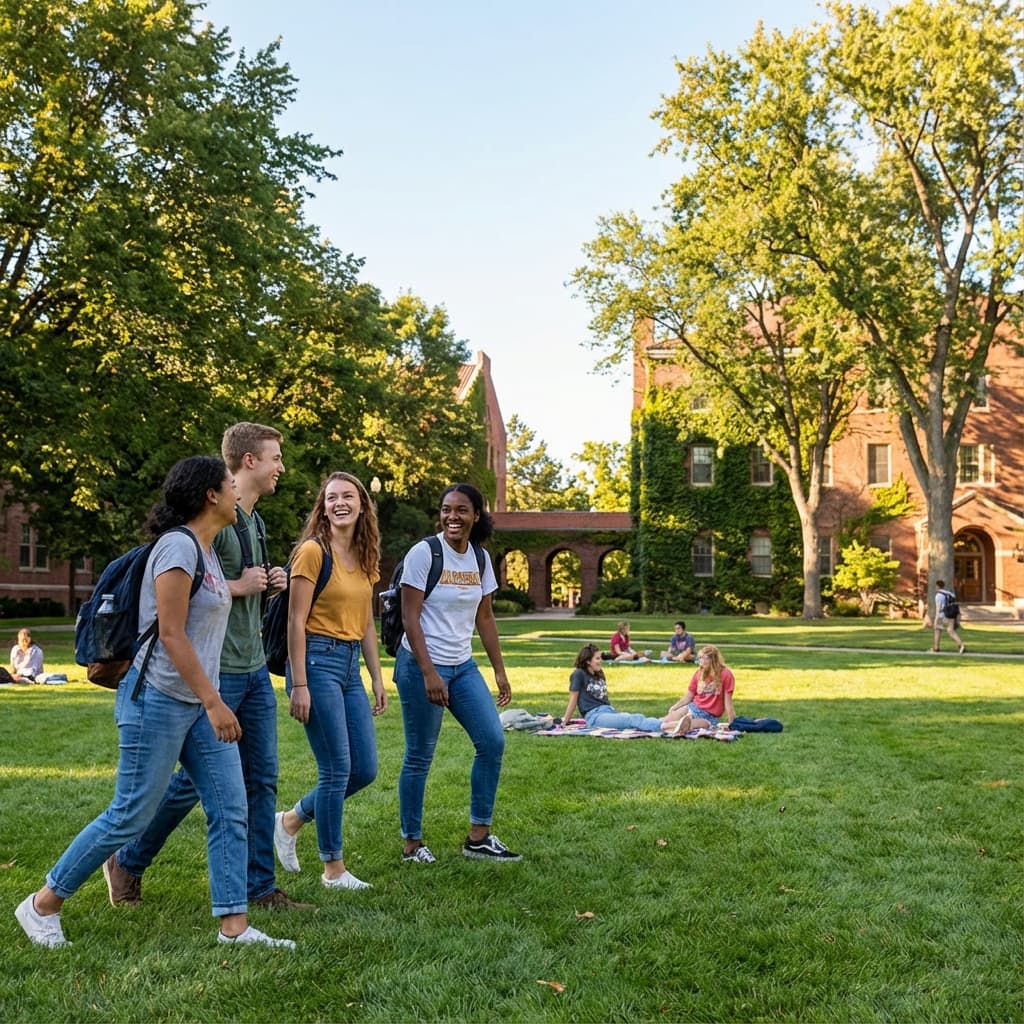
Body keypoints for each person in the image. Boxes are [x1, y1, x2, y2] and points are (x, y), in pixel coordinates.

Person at [14, 455, 293, 950]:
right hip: (158, 700)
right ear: (211, 494)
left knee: (231, 807)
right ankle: (41, 904)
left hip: (193, 704)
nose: (236, 491)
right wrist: (214, 700)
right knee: (130, 814)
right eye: (230, 484)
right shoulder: (178, 549)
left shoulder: (207, 551)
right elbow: (170, 634)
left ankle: (234, 926)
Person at [105, 423, 312, 912]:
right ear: (248, 462)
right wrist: (241, 585)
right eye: (275, 457)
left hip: (254, 665)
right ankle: (128, 860)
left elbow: (239, 586)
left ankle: (259, 888)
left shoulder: (256, 523)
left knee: (261, 780)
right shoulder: (212, 518)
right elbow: (189, 591)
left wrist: (271, 580)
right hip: (217, 673)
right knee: (191, 784)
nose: (282, 466)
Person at [394, 482, 520, 864]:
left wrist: (499, 671)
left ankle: (478, 837)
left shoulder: (479, 559)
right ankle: (412, 845)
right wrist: (429, 672)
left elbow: (485, 617)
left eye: (461, 510)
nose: (452, 516)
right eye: (447, 509)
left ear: (476, 515)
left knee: (492, 741)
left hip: (463, 666)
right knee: (420, 755)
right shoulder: (424, 553)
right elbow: (409, 617)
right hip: (420, 665)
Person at [272, 472, 386, 891]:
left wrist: (376, 677)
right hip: (315, 663)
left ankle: (290, 820)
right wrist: (298, 683)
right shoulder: (310, 552)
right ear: (323, 505)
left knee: (365, 769)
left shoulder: (365, 554)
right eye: (332, 497)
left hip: (350, 666)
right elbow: (295, 622)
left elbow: (368, 624)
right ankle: (333, 869)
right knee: (337, 768)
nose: (340, 503)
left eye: (348, 496)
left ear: (361, 505)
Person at [561, 643, 667, 733]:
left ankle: (668, 722)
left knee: (636, 717)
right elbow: (573, 699)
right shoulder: (578, 674)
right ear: (588, 661)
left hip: (608, 711)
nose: (600, 661)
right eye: (597, 658)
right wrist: (565, 720)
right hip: (594, 717)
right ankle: (669, 726)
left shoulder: (599, 673)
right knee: (633, 720)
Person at [661, 644, 737, 735]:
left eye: (703, 658)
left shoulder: (726, 674)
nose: (700, 661)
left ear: (712, 659)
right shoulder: (699, 672)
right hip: (694, 708)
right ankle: (658, 724)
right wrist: (674, 707)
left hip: (710, 717)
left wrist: (731, 723)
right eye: (699, 658)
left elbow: (728, 703)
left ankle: (672, 726)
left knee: (690, 725)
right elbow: (688, 696)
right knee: (664, 720)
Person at [932, 579, 965, 654]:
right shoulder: (950, 593)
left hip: (942, 615)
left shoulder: (938, 595)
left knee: (937, 630)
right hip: (951, 614)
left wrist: (935, 620)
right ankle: (961, 645)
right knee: (950, 630)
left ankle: (936, 648)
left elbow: (938, 608)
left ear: (937, 586)